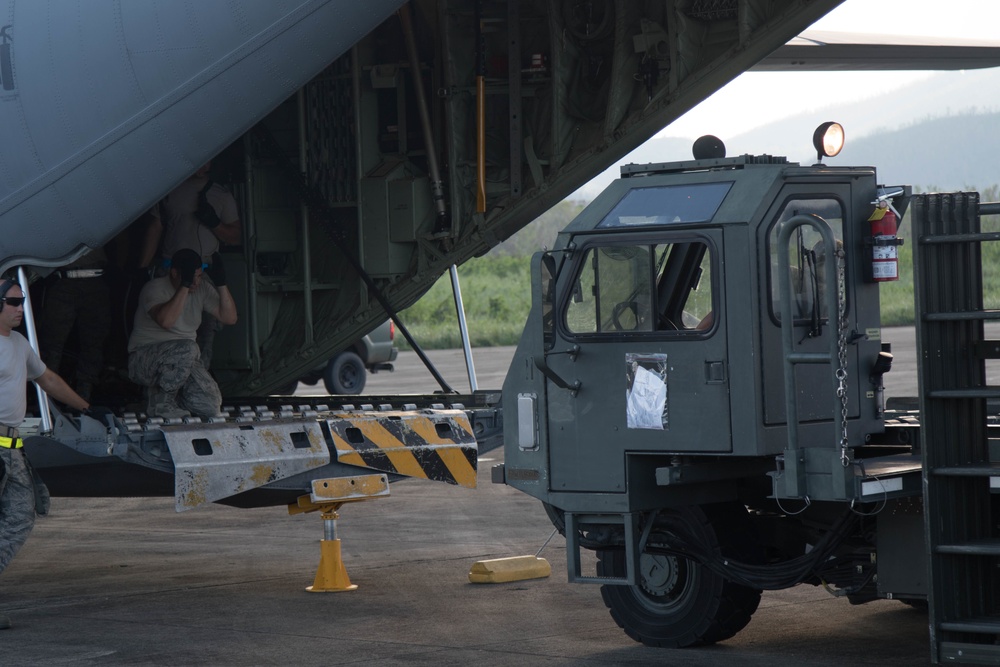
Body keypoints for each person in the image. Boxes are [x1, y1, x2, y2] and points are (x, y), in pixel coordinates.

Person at [0, 278, 92, 629]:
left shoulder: (19, 344)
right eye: (12, 302)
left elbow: (47, 379)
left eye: (21, 302)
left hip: (12, 449)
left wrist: (84, 407)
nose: (20, 309)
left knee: (21, 517)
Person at [138, 162, 241, 367]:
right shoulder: (169, 191)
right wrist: (142, 266)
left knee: (205, 334)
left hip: (204, 272)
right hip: (171, 272)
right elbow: (155, 228)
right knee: (164, 328)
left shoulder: (221, 195)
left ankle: (199, 379)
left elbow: (235, 237)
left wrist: (214, 223)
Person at [127, 248, 237, 419]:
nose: (195, 282)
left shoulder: (202, 289)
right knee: (189, 348)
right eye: (190, 277)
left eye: (199, 276)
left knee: (209, 406)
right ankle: (161, 405)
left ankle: (154, 400)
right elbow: (166, 321)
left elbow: (229, 318)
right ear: (174, 273)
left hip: (183, 360)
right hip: (144, 360)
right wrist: (184, 286)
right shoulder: (154, 288)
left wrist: (221, 284)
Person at [38, 247, 111, 401]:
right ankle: (46, 396)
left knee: (94, 341)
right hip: (64, 280)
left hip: (95, 279)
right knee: (52, 342)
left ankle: (84, 395)